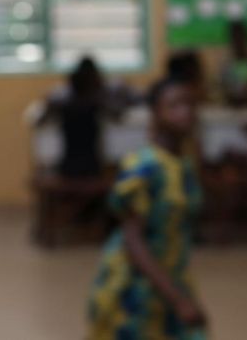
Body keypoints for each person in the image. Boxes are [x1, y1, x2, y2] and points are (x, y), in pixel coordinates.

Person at [87, 78, 207, 339]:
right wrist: (178, 300)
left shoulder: (184, 163)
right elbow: (133, 240)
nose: (185, 112)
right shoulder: (144, 167)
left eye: (190, 104)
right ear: (155, 113)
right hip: (135, 286)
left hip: (170, 275)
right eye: (174, 106)